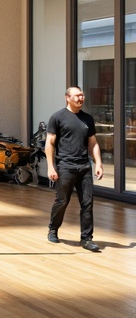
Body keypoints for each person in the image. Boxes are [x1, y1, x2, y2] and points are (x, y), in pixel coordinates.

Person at [46, 86, 103, 251]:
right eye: (77, 96)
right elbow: (49, 143)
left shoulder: (88, 119)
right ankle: (53, 229)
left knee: (87, 203)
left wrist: (98, 162)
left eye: (82, 95)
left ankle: (86, 239)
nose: (81, 98)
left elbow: (93, 143)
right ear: (67, 98)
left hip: (84, 166)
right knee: (62, 201)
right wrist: (51, 166)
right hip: (65, 166)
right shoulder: (57, 117)